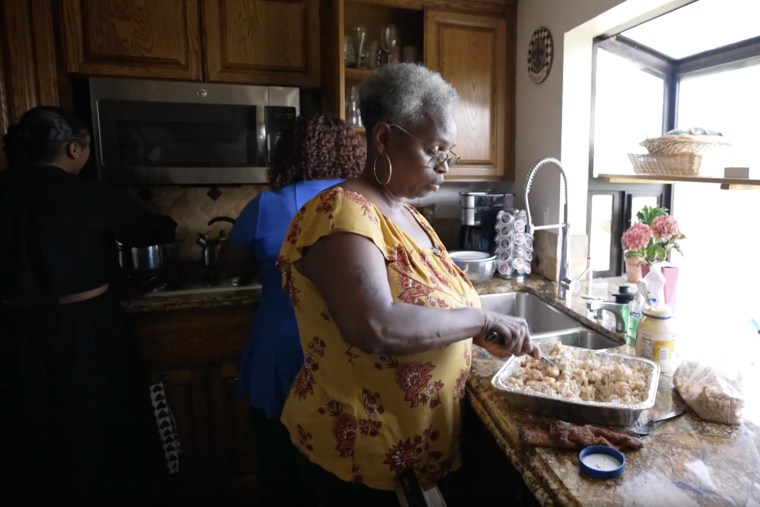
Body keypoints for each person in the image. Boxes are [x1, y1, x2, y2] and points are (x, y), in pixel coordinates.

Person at [276, 62, 542, 505]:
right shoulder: (341, 213)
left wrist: (474, 337)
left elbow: (428, 305)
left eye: (448, 152)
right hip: (359, 453)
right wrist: (478, 321)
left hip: (411, 452)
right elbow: (375, 325)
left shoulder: (409, 215)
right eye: (433, 149)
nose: (445, 165)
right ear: (383, 138)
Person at [0, 106, 177, 496]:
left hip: (13, 331)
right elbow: (153, 229)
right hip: (86, 327)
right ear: (74, 148)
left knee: (28, 435)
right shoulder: (90, 193)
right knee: (98, 430)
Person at [216, 113, 366, 505]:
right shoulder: (366, 202)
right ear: (350, 152)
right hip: (346, 351)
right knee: (338, 466)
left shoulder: (268, 205)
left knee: (278, 462)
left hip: (281, 351)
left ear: (287, 154)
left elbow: (228, 262)